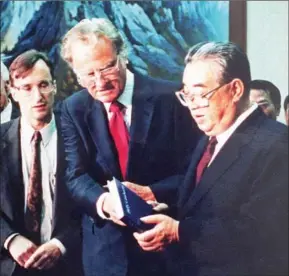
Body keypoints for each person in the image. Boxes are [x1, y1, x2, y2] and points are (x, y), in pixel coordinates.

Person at [131, 42, 288, 276]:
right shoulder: (211, 135)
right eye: (187, 95)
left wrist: (179, 231)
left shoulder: (277, 145)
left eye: (201, 94)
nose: (193, 106)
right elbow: (206, 201)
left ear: (235, 89)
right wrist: (166, 209)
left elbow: (261, 233)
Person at [60, 18, 201, 276]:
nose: (100, 82)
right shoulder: (73, 108)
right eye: (89, 74)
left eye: (106, 68)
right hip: (105, 255)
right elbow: (75, 175)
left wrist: (152, 192)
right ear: (76, 75)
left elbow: (195, 172)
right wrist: (104, 202)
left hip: (164, 249)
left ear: (123, 56)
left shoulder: (169, 99)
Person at [0, 50, 83, 276]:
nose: (38, 96)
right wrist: (9, 239)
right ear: (13, 92)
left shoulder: (80, 137)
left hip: (68, 265)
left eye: (44, 85)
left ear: (54, 87)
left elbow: (89, 205)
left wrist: (60, 244)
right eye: (27, 88)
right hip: (10, 266)